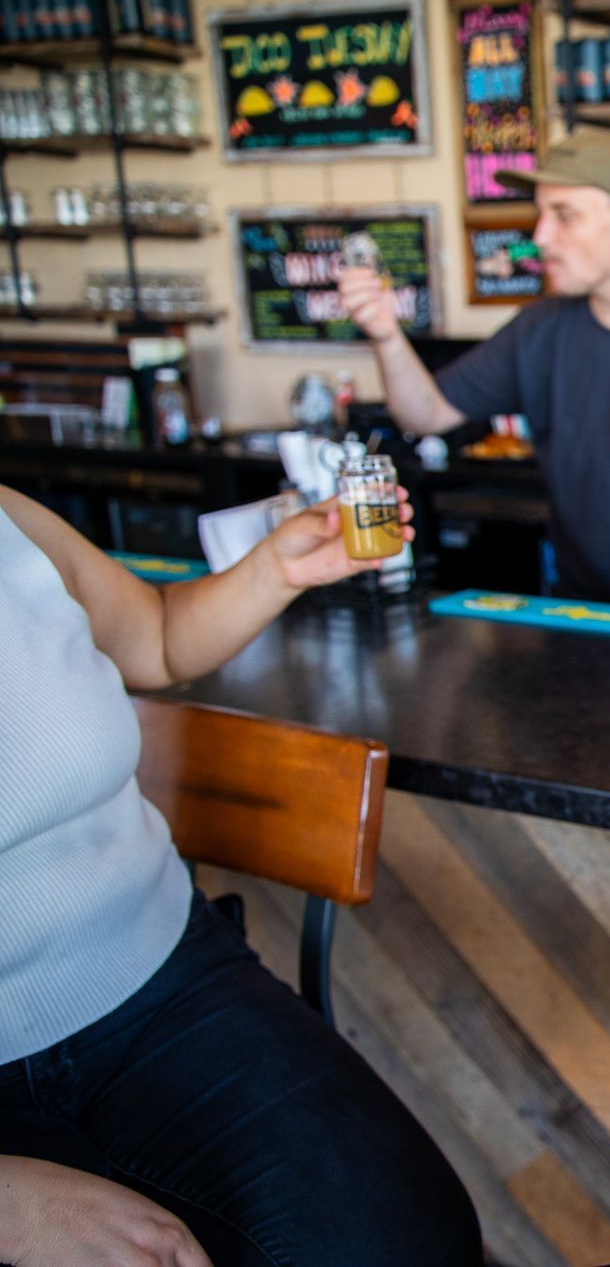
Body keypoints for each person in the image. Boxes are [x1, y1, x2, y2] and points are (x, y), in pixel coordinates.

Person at [0, 485, 483, 1267]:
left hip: (164, 980)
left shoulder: (8, 521)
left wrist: (276, 571)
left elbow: (155, 638)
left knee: (409, 1240)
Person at [339, 126, 610, 609]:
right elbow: (423, 414)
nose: (540, 237)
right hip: (579, 612)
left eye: (565, 216)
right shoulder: (539, 330)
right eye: (541, 215)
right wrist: (386, 335)